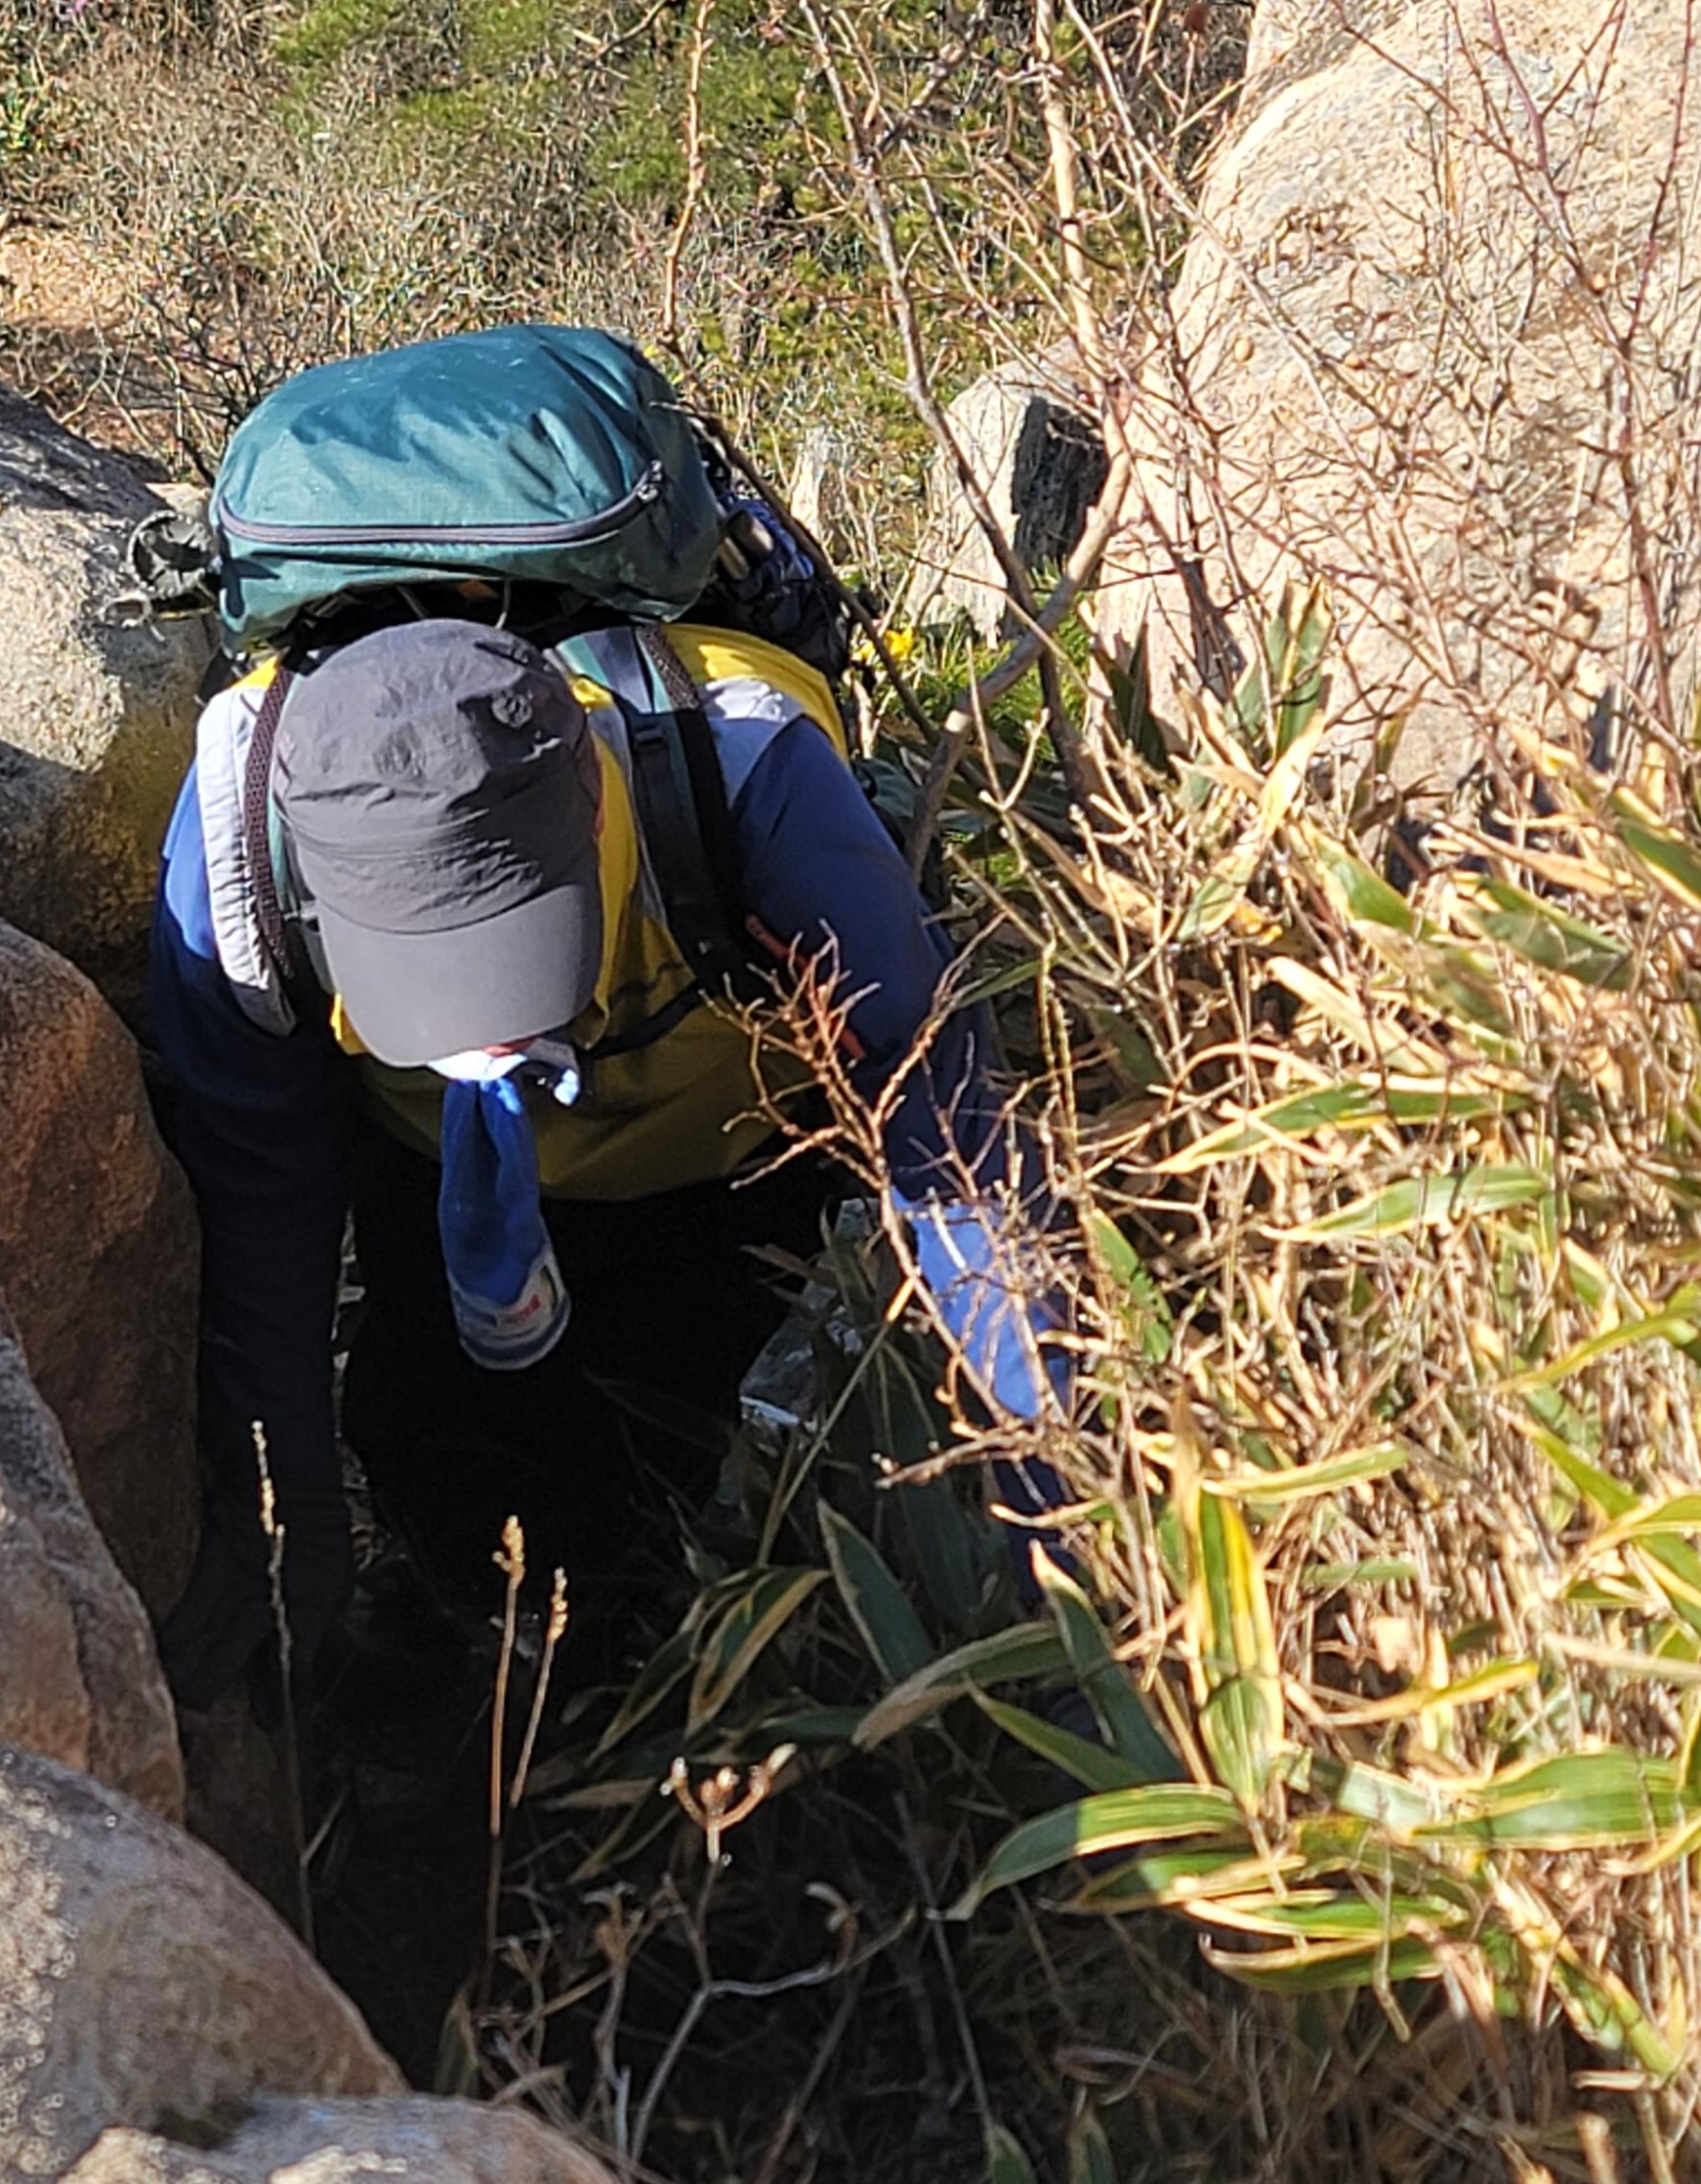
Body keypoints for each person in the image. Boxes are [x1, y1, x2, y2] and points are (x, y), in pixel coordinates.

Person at [145, 603, 1063, 1740]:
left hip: (718, 1152)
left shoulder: (750, 773)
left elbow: (957, 1160)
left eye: (511, 954)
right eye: (422, 980)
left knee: (665, 1438)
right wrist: (281, 1518)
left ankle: (636, 1659)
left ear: (590, 805)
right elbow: (259, 1207)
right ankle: (459, 1635)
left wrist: (1055, 1516)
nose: (482, 1033)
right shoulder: (238, 853)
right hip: (425, 1164)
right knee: (432, 1422)